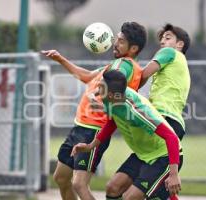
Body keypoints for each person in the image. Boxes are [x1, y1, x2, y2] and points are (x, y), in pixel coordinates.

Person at [41, 22, 147, 200]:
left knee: (79, 184)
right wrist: (61, 59)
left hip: (94, 129)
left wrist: (101, 98)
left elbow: (119, 80)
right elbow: (87, 77)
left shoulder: (124, 65)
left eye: (121, 41)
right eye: (116, 39)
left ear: (134, 48)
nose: (115, 43)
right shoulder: (113, 65)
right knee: (61, 178)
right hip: (80, 127)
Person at [73, 70, 183, 200]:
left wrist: (173, 174)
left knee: (131, 197)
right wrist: (90, 146)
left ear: (113, 94)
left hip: (163, 156)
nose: (98, 88)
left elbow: (172, 137)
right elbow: (112, 122)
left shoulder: (138, 111)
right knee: (112, 188)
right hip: (142, 155)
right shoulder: (111, 99)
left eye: (101, 86)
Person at [140, 23, 191, 141]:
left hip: (162, 118)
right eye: (162, 38)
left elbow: (144, 74)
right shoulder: (181, 62)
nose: (162, 42)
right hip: (176, 123)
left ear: (179, 44)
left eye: (167, 38)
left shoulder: (169, 52)